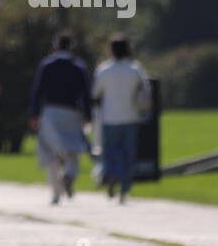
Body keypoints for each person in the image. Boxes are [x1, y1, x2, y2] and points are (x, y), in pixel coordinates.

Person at [29, 31, 93, 205]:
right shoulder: (79, 67)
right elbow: (86, 94)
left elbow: (37, 91)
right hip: (72, 112)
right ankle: (69, 175)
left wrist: (34, 114)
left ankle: (56, 192)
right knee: (72, 149)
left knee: (51, 152)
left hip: (50, 112)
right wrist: (88, 116)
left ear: (55, 46)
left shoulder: (47, 65)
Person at [92, 34, 150, 204]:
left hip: (109, 117)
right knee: (128, 154)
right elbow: (145, 90)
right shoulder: (135, 69)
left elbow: (95, 92)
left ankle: (111, 175)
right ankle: (124, 189)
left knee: (111, 153)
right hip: (130, 117)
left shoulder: (104, 70)